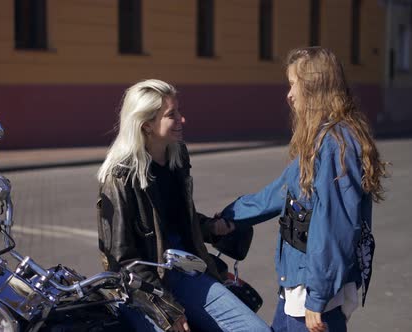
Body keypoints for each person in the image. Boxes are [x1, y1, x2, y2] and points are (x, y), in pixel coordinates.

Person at [213, 47, 388, 332]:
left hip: (313, 293)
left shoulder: (333, 144)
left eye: (295, 84)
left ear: (315, 88)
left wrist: (317, 298)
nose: (289, 94)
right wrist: (230, 216)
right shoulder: (321, 138)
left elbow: (335, 227)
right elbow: (280, 192)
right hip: (298, 288)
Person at [96, 79, 270, 332]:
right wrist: (166, 308)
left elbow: (174, 220)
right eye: (171, 115)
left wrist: (210, 227)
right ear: (146, 124)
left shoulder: (176, 155)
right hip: (145, 286)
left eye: (178, 111)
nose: (182, 119)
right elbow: (121, 260)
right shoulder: (119, 176)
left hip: (186, 268)